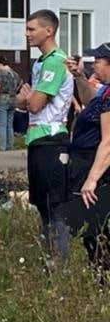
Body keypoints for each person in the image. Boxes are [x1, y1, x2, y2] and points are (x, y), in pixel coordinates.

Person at [19, 9, 73, 256]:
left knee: (54, 207)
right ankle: (50, 256)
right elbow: (22, 102)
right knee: (41, 204)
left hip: (52, 138)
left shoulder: (55, 61)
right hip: (36, 138)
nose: (27, 34)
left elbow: (34, 104)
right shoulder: (40, 61)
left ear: (48, 31)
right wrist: (27, 99)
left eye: (32, 29)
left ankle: (60, 264)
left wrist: (29, 98)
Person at [70, 44, 110, 272]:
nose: (94, 65)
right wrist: (79, 77)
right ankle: (100, 271)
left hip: (95, 165)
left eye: (98, 61)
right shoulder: (104, 91)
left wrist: (92, 179)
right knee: (92, 227)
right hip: (86, 160)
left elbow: (108, 142)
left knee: (95, 225)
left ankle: (102, 275)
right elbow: (89, 101)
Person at [0, 55, 22, 151]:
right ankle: (10, 145)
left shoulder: (0, 73)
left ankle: (2, 147)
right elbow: (19, 84)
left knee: (2, 125)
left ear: (0, 64)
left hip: (2, 100)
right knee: (9, 124)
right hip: (13, 99)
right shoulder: (15, 74)